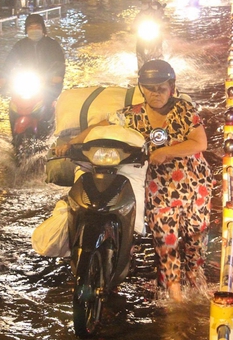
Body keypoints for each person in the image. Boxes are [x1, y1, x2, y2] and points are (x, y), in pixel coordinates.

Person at [56, 60, 213, 301]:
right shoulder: (132, 116)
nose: (155, 93)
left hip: (195, 187)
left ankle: (195, 280)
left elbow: (199, 142)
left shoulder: (184, 110)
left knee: (194, 243)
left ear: (171, 86)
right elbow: (102, 126)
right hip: (158, 190)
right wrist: (73, 142)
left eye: (161, 87)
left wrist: (166, 152)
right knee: (165, 243)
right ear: (142, 88)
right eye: (149, 88)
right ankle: (176, 301)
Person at [0, 13, 66, 103]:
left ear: (43, 29)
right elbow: (10, 61)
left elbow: (59, 63)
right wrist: (3, 76)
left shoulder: (53, 45)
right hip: (27, 81)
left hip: (48, 82)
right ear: (26, 30)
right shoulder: (20, 45)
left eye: (37, 27)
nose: (34, 30)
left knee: (49, 101)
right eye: (30, 28)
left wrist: (57, 76)